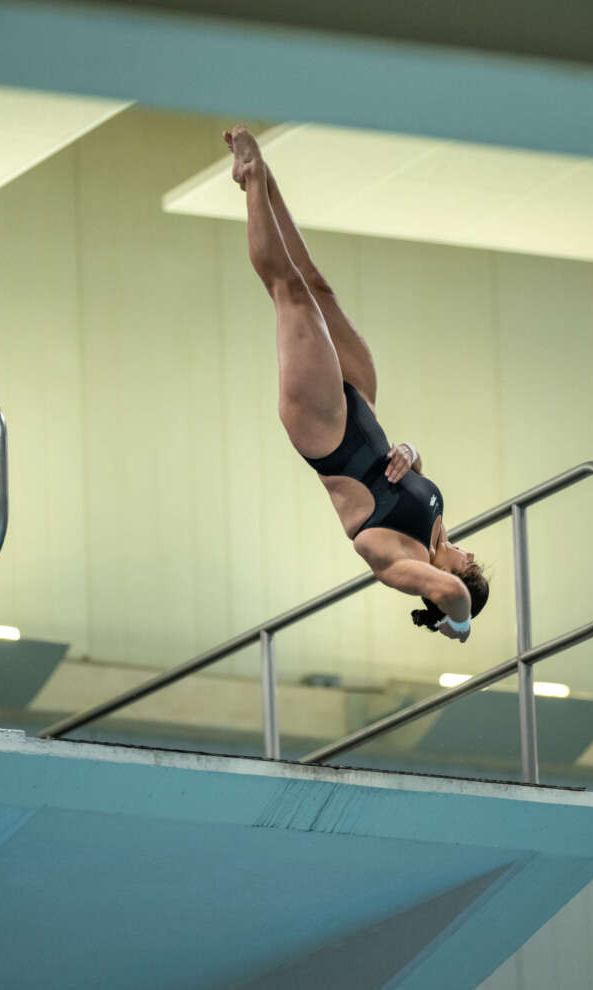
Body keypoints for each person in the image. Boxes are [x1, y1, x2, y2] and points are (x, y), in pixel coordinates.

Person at [223, 126, 489, 642]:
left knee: (291, 294)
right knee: (315, 284)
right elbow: (412, 477)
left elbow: (456, 597)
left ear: (443, 584)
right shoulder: (435, 531)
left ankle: (252, 175)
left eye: (470, 567)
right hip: (362, 407)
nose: (471, 555)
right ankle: (263, 180)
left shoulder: (400, 567)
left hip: (327, 432)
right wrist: (411, 452)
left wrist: (460, 624)